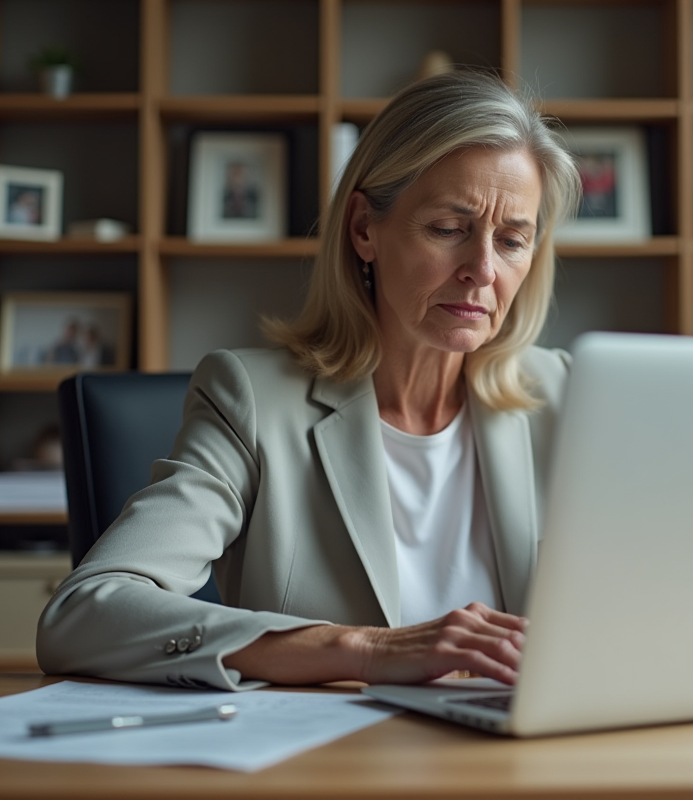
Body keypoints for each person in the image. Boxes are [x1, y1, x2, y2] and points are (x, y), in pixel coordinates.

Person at [36, 71, 582, 692]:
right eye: (448, 229)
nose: (482, 271)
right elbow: (82, 613)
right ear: (363, 229)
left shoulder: (569, 396)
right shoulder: (250, 397)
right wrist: (362, 649)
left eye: (513, 240)